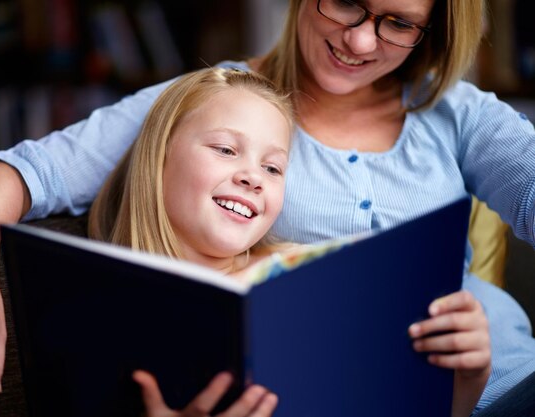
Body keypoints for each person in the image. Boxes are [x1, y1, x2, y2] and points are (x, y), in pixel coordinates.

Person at [0, 0, 534, 415]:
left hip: (496, 377)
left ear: (432, 31)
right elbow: (16, 176)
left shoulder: (457, 111)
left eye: (399, 22)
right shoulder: (212, 106)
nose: (360, 38)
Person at [88, 66, 489, 417]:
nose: (253, 177)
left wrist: (468, 376)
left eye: (273, 167)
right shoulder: (103, 301)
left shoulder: (308, 273)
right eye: (226, 149)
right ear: (159, 156)